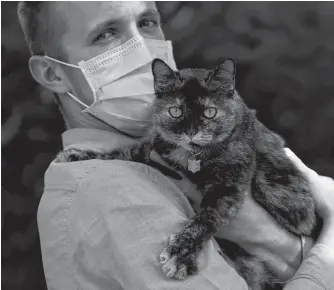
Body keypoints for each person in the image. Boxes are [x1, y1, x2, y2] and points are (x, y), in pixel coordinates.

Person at [17, 2, 334, 290]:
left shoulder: (148, 154)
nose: (140, 48)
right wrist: (327, 250)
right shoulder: (113, 189)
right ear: (51, 72)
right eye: (105, 34)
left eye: (146, 23)